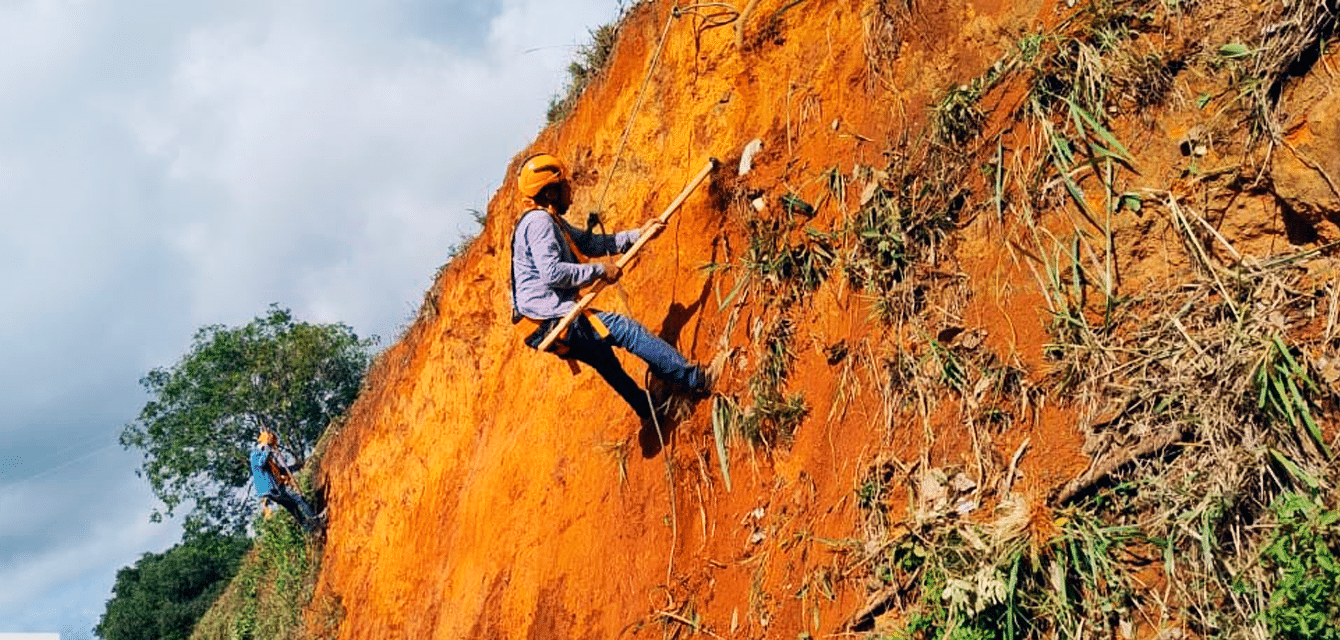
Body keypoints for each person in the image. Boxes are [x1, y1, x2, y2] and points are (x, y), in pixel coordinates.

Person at [510, 153, 709, 423]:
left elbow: (589, 244)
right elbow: (553, 273)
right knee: (626, 331)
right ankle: (694, 378)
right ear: (551, 192)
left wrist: (640, 234)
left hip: (541, 325)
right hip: (550, 320)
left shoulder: (550, 221)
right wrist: (601, 270)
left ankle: (648, 410)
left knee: (604, 358)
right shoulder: (539, 223)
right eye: (564, 185)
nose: (570, 190)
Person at [250, 429, 319, 532]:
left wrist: (295, 467)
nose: (274, 447)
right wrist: (267, 449)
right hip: (271, 489)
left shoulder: (264, 454)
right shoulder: (255, 454)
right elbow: (261, 463)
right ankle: (315, 519)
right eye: (272, 443)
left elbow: (278, 471)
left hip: (275, 487)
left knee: (292, 506)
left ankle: (310, 529)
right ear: (267, 442)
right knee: (298, 499)